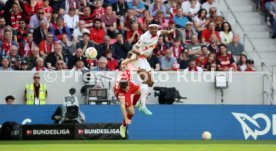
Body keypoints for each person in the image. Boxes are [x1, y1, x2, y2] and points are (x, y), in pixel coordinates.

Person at [129, 21, 174, 114]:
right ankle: (142, 106)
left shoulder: (157, 32)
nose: (154, 30)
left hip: (144, 59)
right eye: (152, 28)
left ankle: (138, 102)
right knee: (145, 80)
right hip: (137, 58)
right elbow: (133, 49)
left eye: (155, 28)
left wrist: (169, 32)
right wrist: (141, 53)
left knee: (151, 82)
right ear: (148, 28)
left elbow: (161, 32)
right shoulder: (144, 37)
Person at [113, 57, 142, 138]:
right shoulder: (120, 92)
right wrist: (126, 118)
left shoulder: (125, 70)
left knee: (140, 91)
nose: (127, 89)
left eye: (127, 88)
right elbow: (122, 107)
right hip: (122, 94)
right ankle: (123, 126)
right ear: (122, 88)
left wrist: (134, 58)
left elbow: (125, 61)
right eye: (126, 89)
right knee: (132, 113)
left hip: (128, 84)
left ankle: (135, 104)